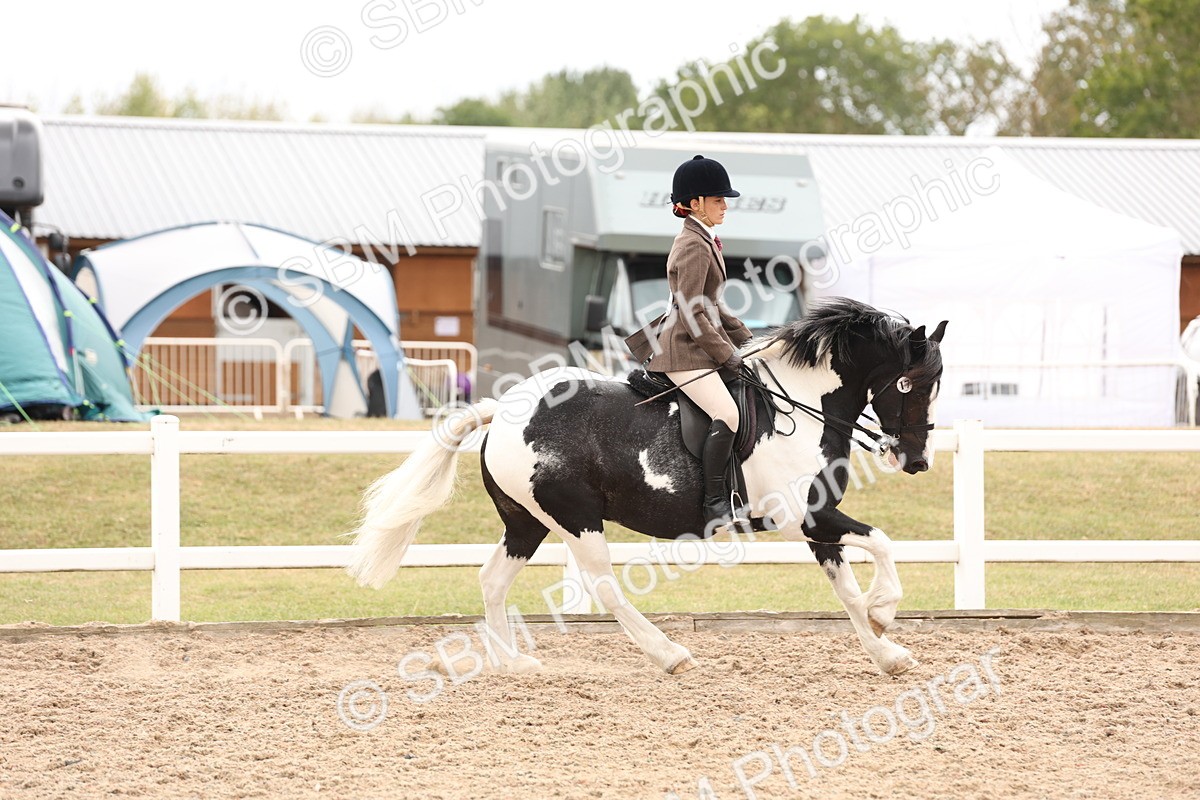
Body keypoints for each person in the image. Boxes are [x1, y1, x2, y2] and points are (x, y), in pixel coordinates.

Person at [625, 154, 752, 527]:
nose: (725, 207)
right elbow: (692, 312)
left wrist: (748, 340)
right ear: (695, 203)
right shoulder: (694, 245)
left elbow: (713, 304)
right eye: (718, 200)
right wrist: (726, 353)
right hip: (684, 352)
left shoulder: (703, 238)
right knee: (727, 413)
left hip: (696, 345)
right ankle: (715, 501)